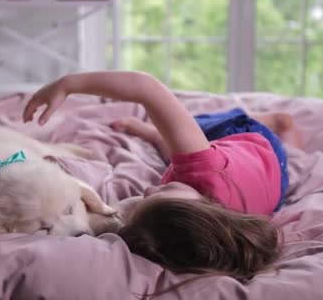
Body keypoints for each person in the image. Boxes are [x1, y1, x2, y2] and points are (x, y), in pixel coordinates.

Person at [23, 71, 303, 282]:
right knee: (190, 136)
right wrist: (67, 84)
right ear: (203, 209)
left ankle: (290, 144)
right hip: (250, 140)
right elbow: (148, 89)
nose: (147, 191)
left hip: (276, 181)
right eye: (162, 194)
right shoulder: (203, 167)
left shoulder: (225, 232)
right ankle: (277, 123)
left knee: (178, 155)